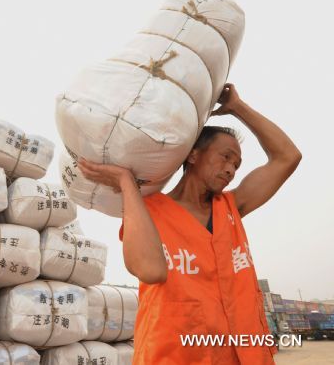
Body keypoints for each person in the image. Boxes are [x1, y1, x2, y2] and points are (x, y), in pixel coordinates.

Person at [78, 83, 301, 365]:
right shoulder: (148, 210)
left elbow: (288, 157)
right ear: (193, 155)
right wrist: (126, 183)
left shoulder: (232, 207)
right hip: (176, 355)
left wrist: (238, 107)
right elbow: (151, 270)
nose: (232, 169)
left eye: (237, 164)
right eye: (226, 157)